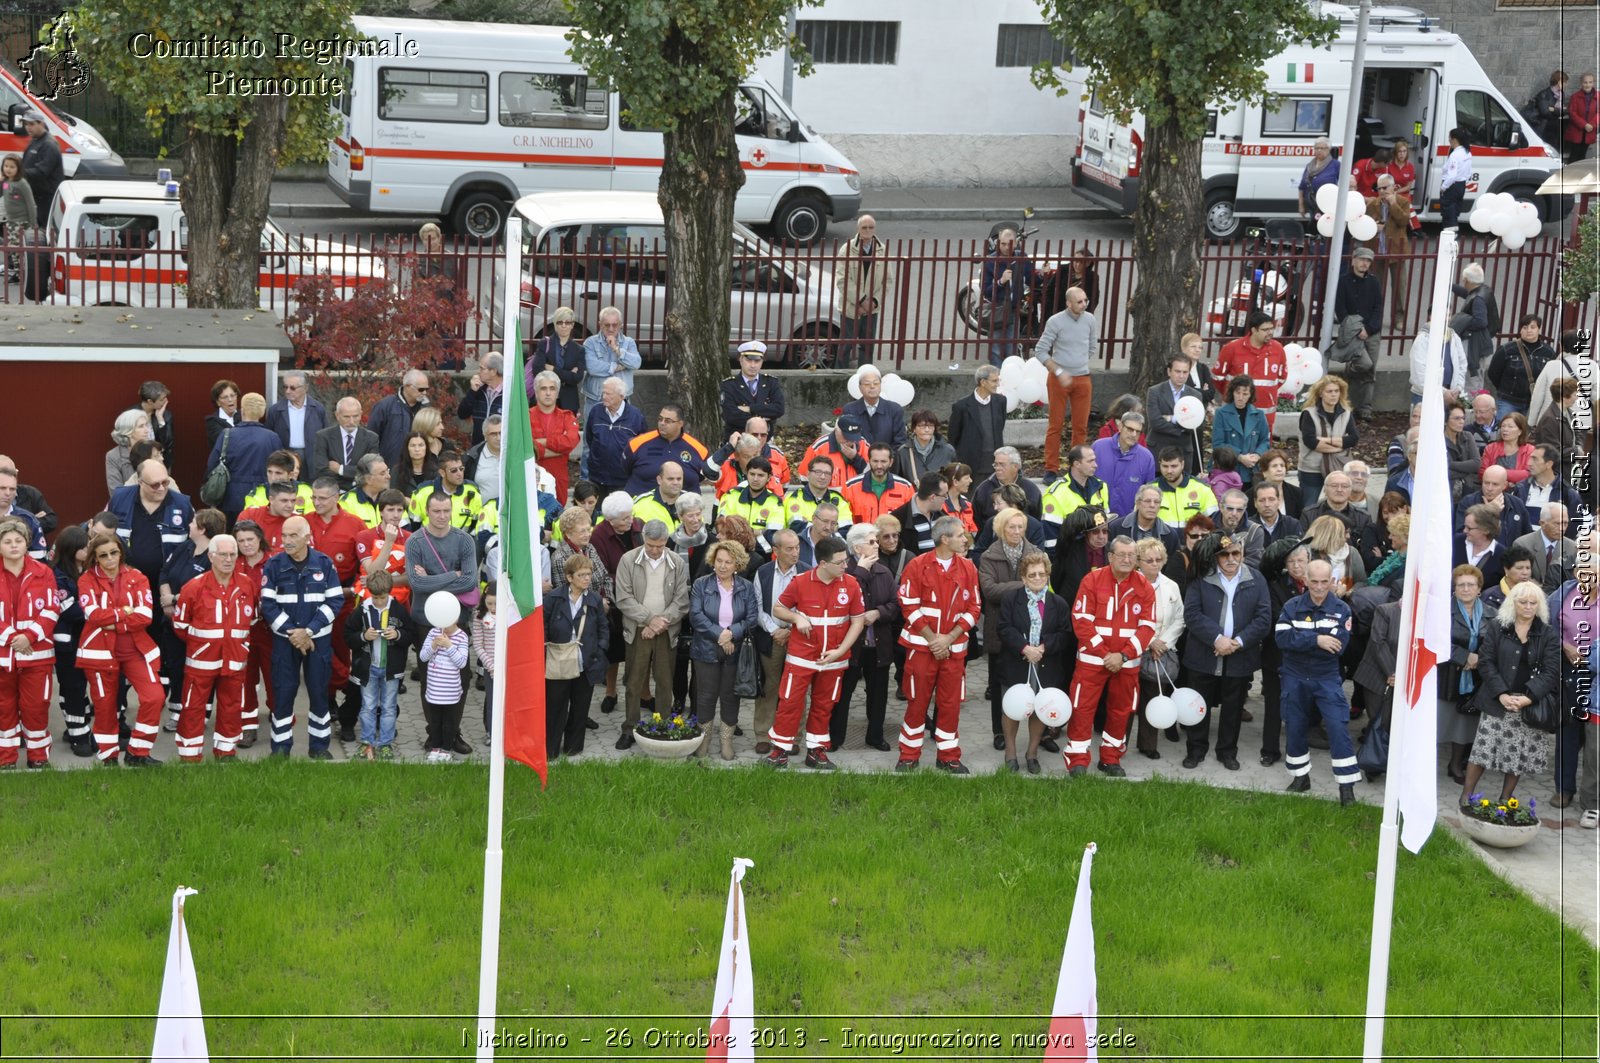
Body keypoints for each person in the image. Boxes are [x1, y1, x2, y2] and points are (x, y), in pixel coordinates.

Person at [763, 535, 864, 770]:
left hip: (834, 660)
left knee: (825, 704)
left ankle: (816, 751)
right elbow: (778, 608)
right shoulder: (800, 582)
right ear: (823, 564)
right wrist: (797, 617)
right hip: (801, 657)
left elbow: (857, 622)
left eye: (845, 561)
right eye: (840, 562)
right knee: (790, 703)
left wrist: (840, 651)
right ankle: (779, 751)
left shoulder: (851, 584)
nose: (845, 566)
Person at [1462, 581, 1560, 807]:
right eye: (1523, 602)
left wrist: (1528, 697)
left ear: (1540, 606)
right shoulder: (1498, 626)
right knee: (1481, 751)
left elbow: (1551, 671)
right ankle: (1466, 796)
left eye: (1533, 603)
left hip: (1527, 704)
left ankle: (1505, 800)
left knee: (1517, 757)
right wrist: (1502, 694)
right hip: (1497, 701)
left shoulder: (1547, 634)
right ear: (1512, 603)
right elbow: (1486, 663)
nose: (1528, 607)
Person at [1181, 530, 1273, 770]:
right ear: (1216, 558)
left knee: (1233, 708)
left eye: (1236, 553)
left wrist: (1237, 642)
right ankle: (1196, 749)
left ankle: (1227, 752)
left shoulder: (1256, 578)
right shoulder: (1202, 577)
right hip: (1203, 655)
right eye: (1225, 555)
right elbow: (1191, 614)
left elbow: (1263, 619)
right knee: (1198, 705)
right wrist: (1217, 638)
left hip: (1240, 656)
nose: (1231, 559)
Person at [894, 516, 979, 773]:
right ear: (945, 539)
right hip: (922, 649)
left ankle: (948, 756)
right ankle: (908, 755)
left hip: (953, 651)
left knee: (951, 704)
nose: (965, 539)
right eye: (960, 535)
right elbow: (908, 604)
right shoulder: (918, 565)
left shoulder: (968, 568)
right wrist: (934, 640)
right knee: (917, 701)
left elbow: (974, 607)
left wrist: (949, 639)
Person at [1066, 535, 1155, 777]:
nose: (1127, 559)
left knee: (1121, 710)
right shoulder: (1092, 580)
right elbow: (1081, 620)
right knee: (1082, 709)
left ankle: (1111, 758)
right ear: (1111, 557)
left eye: (1131, 555)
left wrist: (1123, 656)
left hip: (1126, 664)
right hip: (1093, 661)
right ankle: (1077, 760)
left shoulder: (1144, 586)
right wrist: (1106, 654)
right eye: (1122, 555)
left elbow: (1148, 626)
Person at [1277, 559, 1361, 805]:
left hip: (1326, 677)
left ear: (1333, 581)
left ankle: (1347, 788)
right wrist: (1317, 640)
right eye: (1314, 581)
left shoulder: (1342, 610)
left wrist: (1302, 639)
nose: (1319, 586)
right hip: (1294, 676)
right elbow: (1282, 638)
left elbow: (1339, 646)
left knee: (1337, 728)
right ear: (1305, 579)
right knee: (1295, 727)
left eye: (1325, 581)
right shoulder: (1291, 606)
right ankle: (1300, 777)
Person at [78, 532, 165, 765]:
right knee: (105, 706)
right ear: (95, 558)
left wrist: (113, 620)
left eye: (114, 553)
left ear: (121, 552)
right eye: (103, 555)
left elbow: (145, 616)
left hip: (135, 650)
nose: (110, 559)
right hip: (99, 651)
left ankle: (138, 752)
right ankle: (108, 757)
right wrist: (126, 611)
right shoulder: (86, 580)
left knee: (154, 697)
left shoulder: (137, 576)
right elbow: (93, 616)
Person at [258, 516, 341, 759]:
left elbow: (334, 601)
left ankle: (319, 747)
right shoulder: (273, 565)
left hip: (318, 641)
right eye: (284, 535)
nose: (286, 541)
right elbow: (268, 605)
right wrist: (294, 633)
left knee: (318, 692)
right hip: (286, 641)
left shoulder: (324, 564)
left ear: (307, 537)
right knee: (283, 693)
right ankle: (281, 749)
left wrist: (309, 631)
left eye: (293, 535)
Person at [169, 533, 255, 762]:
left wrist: (240, 646)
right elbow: (179, 625)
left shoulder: (247, 584)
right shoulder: (193, 587)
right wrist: (202, 646)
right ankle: (190, 756)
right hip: (201, 661)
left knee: (231, 707)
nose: (228, 560)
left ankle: (226, 752)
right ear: (211, 556)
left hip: (235, 660)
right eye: (223, 554)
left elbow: (252, 619)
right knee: (193, 708)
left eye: (233, 555)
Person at [612, 520, 691, 750]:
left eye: (660, 545)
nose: (655, 550)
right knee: (634, 681)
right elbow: (624, 598)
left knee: (665, 681)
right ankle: (630, 728)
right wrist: (649, 620)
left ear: (667, 541)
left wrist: (659, 624)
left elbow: (681, 600)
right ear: (642, 539)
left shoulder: (676, 562)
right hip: (638, 630)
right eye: (650, 545)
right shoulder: (628, 560)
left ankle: (662, 726)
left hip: (665, 631)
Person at [404, 492, 479, 716]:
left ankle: (453, 733)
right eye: (436, 511)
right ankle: (433, 734)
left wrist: (431, 579)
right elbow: (416, 584)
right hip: (425, 621)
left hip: (458, 620)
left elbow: (470, 580)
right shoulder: (415, 541)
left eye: (446, 511)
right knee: (429, 678)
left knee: (461, 677)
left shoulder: (464, 540)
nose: (442, 516)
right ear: (427, 511)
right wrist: (452, 575)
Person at [994, 551, 1068, 774]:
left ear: (1048, 575)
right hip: (1016, 662)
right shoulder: (1011, 599)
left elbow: (1065, 633)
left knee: (1039, 709)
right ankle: (1010, 751)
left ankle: (1032, 753)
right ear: (1024, 578)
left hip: (1046, 665)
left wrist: (1043, 648)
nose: (1037, 578)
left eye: (1042, 574)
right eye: (1032, 574)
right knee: (1013, 709)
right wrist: (1024, 648)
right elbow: (1004, 628)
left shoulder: (1059, 603)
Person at [686, 540, 758, 760]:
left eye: (728, 562)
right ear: (713, 561)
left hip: (734, 649)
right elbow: (696, 617)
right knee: (706, 695)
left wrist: (731, 633)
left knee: (729, 695)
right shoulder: (701, 584)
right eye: (719, 561)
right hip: (706, 648)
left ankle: (726, 740)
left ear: (737, 564)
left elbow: (752, 618)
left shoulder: (745, 587)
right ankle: (704, 739)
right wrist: (721, 635)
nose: (723, 566)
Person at [834, 522, 899, 753]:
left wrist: (878, 613)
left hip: (878, 644)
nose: (877, 545)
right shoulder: (847, 572)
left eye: (876, 541)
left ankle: (875, 735)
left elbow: (895, 604)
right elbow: (844, 601)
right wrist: (860, 572)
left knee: (878, 694)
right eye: (871, 542)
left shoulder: (884, 572)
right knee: (843, 693)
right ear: (856, 547)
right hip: (853, 646)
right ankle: (835, 737)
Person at [979, 507, 1040, 751]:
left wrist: (1012, 586)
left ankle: (1039, 735)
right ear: (1000, 529)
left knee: (1033, 681)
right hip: (998, 630)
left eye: (1020, 527)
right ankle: (999, 732)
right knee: (998, 683)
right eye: (1011, 527)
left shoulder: (1035, 552)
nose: (1016, 531)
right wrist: (1024, 584)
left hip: (1029, 629)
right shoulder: (989, 556)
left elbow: (1041, 585)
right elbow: (990, 591)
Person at [0, 517, 56, 768]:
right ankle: (6, 759)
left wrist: (30, 636)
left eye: (18, 541)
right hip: (4, 656)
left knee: (36, 706)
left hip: (37, 655)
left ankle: (38, 757)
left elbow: (52, 609)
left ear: (26, 544)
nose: (13, 546)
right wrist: (13, 639)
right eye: (7, 541)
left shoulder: (43, 572)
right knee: (4, 708)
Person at [1549, 540, 1599, 811]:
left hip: (1598, 674)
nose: (1584, 577)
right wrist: (1565, 647)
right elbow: (1546, 623)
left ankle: (1591, 796)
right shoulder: (1563, 593)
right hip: (1569, 669)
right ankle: (1563, 789)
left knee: (1593, 736)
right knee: (1568, 729)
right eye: (1581, 571)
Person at [544, 553, 609, 758]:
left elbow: (602, 627)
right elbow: (543, 627)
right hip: (559, 661)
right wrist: (546, 648)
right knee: (555, 707)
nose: (587, 579)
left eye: (589, 574)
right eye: (582, 575)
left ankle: (573, 747)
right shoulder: (553, 598)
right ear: (569, 577)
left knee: (580, 707)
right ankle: (551, 749)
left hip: (585, 661)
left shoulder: (594, 599)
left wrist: (599, 650)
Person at [752, 528, 808, 755]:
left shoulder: (806, 572)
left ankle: (793, 736)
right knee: (769, 686)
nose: (795, 553)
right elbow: (757, 607)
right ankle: (763, 734)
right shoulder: (763, 572)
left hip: (798, 638)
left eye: (797, 547)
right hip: (771, 637)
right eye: (789, 548)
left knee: (796, 689)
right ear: (775, 551)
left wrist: (790, 630)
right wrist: (776, 630)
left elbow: (810, 608)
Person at [344, 569, 410, 761]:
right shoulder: (361, 610)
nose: (379, 602)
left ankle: (386, 744)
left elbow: (409, 634)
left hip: (391, 668)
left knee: (389, 707)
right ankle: (367, 742)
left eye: (382, 597)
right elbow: (347, 635)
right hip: (367, 669)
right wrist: (363, 636)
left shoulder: (398, 610)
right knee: (367, 706)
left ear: (390, 593)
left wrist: (397, 635)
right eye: (375, 597)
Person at [1131, 537, 1184, 760]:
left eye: (1158, 559)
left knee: (1154, 697)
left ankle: (1148, 744)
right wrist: (1149, 640)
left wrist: (1163, 643)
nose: (1154, 564)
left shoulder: (1172, 585)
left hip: (1160, 651)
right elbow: (1130, 618)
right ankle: (1117, 743)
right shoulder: (1130, 585)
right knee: (1128, 699)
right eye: (1149, 560)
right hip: (1133, 649)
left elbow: (1180, 618)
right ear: (1138, 562)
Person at [1037, 285, 1098, 462]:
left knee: (1081, 427)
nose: (1084, 304)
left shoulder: (1090, 320)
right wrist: (1059, 371)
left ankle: (1076, 465)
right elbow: (1040, 351)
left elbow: (1092, 346)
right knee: (1055, 425)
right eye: (1079, 301)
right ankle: (1051, 466)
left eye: (1085, 300)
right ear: (1068, 303)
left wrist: (1079, 362)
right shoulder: (1055, 321)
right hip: (1058, 379)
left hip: (1083, 378)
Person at [1215, 310, 1288, 433]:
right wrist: (1234, 396)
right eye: (1265, 330)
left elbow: (1281, 378)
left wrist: (1266, 393)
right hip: (1236, 410)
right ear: (1253, 330)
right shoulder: (1231, 348)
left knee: (1263, 447)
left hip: (1265, 412)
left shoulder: (1278, 349)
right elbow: (1217, 378)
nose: (1270, 333)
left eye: (1271, 329)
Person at [418, 592, 471, 762]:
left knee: (449, 723)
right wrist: (433, 645)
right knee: (435, 722)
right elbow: (423, 657)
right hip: (434, 690)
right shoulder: (433, 633)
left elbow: (462, 662)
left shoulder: (461, 637)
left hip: (450, 692)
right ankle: (435, 747)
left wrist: (449, 646)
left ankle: (446, 749)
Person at [836, 215, 893, 365]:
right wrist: (861, 301)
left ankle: (866, 378)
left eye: (871, 227)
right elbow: (842, 280)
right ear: (858, 229)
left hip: (871, 310)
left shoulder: (882, 250)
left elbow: (887, 280)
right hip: (850, 308)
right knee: (845, 346)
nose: (868, 230)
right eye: (864, 227)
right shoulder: (846, 249)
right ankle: (838, 377)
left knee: (867, 347)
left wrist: (873, 302)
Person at [1332, 248, 1382, 419]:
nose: (1364, 264)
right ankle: (1348, 405)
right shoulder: (1343, 281)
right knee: (1363, 365)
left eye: (1368, 261)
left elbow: (1377, 309)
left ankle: (1366, 407)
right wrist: (1355, 329)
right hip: (1352, 333)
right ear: (1353, 260)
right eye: (1361, 259)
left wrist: (1368, 329)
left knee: (1370, 371)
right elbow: (1340, 309)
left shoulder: (1374, 282)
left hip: (1371, 332)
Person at [624, 404, 710, 497]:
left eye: (668, 421)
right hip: (642, 507)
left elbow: (702, 476)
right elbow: (625, 468)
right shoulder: (637, 443)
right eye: (660, 419)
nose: (662, 423)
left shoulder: (698, 449)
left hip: (683, 507)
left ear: (680, 424)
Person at [1297, 375, 1358, 505]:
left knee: (1339, 505)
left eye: (1336, 391)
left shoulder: (1346, 413)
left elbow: (1353, 439)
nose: (1333, 395)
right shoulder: (1309, 414)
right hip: (1311, 468)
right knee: (1308, 506)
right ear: (1320, 393)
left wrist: (1323, 440)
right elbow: (1311, 442)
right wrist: (1340, 445)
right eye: (1329, 391)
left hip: (1338, 468)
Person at [1485, 314, 1556, 421]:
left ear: (1539, 330)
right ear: (1520, 330)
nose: (1529, 330)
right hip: (1508, 401)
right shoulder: (1507, 349)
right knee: (1505, 430)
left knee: (1526, 435)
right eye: (1525, 327)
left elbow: (1552, 378)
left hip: (1534, 403)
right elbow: (1493, 373)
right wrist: (1506, 388)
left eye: (1533, 327)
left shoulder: (1548, 353)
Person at [1364, 174, 1413, 330]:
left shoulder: (1403, 202)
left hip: (1397, 251)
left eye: (1385, 187)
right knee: (1376, 288)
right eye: (1379, 188)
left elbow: (1404, 221)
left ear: (1394, 187)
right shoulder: (1373, 204)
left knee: (1399, 287)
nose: (1382, 191)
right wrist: (1374, 227)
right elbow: (1364, 225)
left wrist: (1393, 204)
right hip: (1378, 251)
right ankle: (1375, 317)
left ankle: (1399, 318)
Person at [585, 376, 646, 500]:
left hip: (622, 480)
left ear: (622, 396)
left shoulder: (635, 416)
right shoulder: (596, 411)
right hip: (597, 477)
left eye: (609, 394)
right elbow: (589, 438)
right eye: (603, 393)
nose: (604, 397)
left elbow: (641, 446)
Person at [581, 306, 642, 429]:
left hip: (621, 401)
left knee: (622, 439)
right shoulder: (590, 343)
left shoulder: (628, 342)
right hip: (596, 399)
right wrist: (617, 367)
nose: (611, 329)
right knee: (590, 442)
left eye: (614, 325)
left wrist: (616, 349)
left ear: (620, 325)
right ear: (600, 324)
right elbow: (592, 367)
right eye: (606, 325)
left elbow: (636, 363)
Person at [1040, 444, 1108, 552]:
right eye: (1090, 461)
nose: (1095, 465)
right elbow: (1050, 539)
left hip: (1097, 556)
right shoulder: (1055, 494)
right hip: (1070, 558)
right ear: (1077, 464)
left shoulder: (1101, 486)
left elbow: (1106, 524)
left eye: (1094, 460)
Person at [981, 227, 1034, 364]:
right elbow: (986, 290)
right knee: (996, 348)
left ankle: (1010, 375)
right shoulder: (990, 261)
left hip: (1014, 308)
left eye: (1009, 244)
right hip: (997, 307)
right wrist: (1000, 282)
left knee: (1011, 347)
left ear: (1016, 243)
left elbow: (1032, 280)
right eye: (1002, 244)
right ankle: (997, 379)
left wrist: (1042, 274)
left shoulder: (1021, 258)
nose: (1005, 247)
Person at [528, 370, 581, 502]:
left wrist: (542, 442)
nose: (548, 393)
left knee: (557, 517)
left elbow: (570, 442)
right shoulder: (525, 417)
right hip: (531, 477)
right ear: (536, 392)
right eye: (543, 388)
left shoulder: (567, 416)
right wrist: (561, 451)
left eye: (552, 389)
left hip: (559, 478)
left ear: (557, 393)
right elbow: (525, 445)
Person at [948, 364, 1007, 483]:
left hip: (994, 463)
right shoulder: (962, 406)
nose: (998, 384)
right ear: (983, 382)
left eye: (998, 380)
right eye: (994, 381)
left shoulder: (1000, 401)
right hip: (971, 464)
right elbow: (953, 436)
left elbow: (1000, 427)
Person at [1092, 411, 1156, 519]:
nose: (1134, 435)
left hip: (1127, 522)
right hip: (1096, 519)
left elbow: (1148, 493)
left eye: (1138, 431)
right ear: (1120, 427)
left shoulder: (1146, 457)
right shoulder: (1098, 447)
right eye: (1130, 429)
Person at [719, 340, 786, 440]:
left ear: (762, 362)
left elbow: (779, 409)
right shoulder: (729, 385)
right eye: (749, 360)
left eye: (757, 361)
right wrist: (763, 418)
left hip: (765, 441)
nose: (753, 365)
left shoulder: (771, 382)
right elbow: (730, 415)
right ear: (741, 360)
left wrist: (750, 408)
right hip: (739, 440)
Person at [366, 370, 433, 471]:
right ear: (407, 386)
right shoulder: (385, 406)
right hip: (390, 467)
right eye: (421, 389)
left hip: (420, 468)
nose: (424, 393)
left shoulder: (426, 408)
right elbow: (371, 438)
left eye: (426, 389)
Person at [264, 371, 328, 473]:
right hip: (285, 459)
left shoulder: (318, 409)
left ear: (305, 388)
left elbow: (325, 437)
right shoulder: (275, 410)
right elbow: (268, 438)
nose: (288, 391)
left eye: (292, 388)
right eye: (285, 387)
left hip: (311, 459)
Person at [1451, 262, 1501, 393]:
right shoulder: (1484, 290)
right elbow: (1468, 294)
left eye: (1464, 280)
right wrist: (1452, 287)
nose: (1463, 283)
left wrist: (1462, 324)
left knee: (1472, 376)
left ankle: (1472, 403)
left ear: (1468, 280)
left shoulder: (1478, 299)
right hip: (1482, 341)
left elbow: (1480, 321)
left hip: (1475, 343)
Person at [1211, 376, 1270, 485]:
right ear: (1232, 392)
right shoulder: (1221, 413)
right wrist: (1240, 457)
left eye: (1245, 394)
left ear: (1250, 395)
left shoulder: (1259, 415)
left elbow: (1265, 441)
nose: (1240, 397)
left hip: (1252, 472)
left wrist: (1257, 455)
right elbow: (1218, 444)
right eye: (1237, 393)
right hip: (1228, 471)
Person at [841, 444, 915, 528]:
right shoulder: (850, 487)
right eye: (875, 461)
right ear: (869, 461)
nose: (879, 466)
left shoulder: (906, 488)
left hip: (893, 539)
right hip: (862, 539)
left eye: (883, 461)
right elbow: (843, 522)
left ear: (891, 462)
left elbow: (910, 522)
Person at [528, 307, 585, 415]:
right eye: (560, 322)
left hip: (568, 401)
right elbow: (538, 370)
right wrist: (567, 373)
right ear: (555, 324)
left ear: (572, 325)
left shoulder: (579, 350)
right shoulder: (544, 344)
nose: (563, 326)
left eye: (567, 322)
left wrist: (552, 368)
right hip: (544, 399)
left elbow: (576, 378)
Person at [842, 365, 908, 449]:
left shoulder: (894, 409)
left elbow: (900, 441)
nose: (872, 386)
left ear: (880, 386)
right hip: (858, 459)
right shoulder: (850, 410)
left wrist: (886, 459)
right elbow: (848, 440)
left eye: (876, 383)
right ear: (860, 388)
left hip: (887, 459)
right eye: (867, 384)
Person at [1152, 447, 1218, 528]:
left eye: (1174, 466)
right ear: (1159, 465)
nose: (1169, 471)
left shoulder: (1202, 489)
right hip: (1161, 539)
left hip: (1194, 539)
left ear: (1182, 464)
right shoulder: (1150, 490)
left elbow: (1215, 521)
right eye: (1165, 466)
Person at [1304, 513, 1365, 595]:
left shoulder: (1351, 552)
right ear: (1328, 537)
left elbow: (1362, 582)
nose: (1348, 537)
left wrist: (1348, 591)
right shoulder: (1307, 554)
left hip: (1347, 603)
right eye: (1343, 534)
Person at [896, 409, 958, 488]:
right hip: (912, 497)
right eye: (922, 426)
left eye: (931, 426)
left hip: (941, 497)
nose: (927, 430)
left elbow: (954, 477)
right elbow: (898, 480)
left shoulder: (948, 450)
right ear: (914, 428)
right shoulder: (903, 452)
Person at [19, 111, 60, 227]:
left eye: (31, 124)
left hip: (45, 199)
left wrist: (18, 173)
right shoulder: (35, 140)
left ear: (41, 124)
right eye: (26, 124)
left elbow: (42, 172)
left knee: (42, 231)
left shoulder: (49, 145)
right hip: (35, 195)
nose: (28, 128)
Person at [455, 353, 504, 447]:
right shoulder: (479, 390)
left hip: (501, 449)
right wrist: (472, 392)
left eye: (482, 368)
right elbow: (462, 414)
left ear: (493, 371)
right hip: (478, 447)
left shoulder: (509, 393)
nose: (478, 371)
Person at [1479, 411, 1534, 485]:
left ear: (1520, 431)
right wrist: (1505, 483)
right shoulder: (1491, 448)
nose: (1505, 429)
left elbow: (1529, 474)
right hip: (1493, 489)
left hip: (1519, 492)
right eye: (1503, 426)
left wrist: (1500, 473)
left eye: (1510, 427)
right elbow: (1483, 473)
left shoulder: (1529, 450)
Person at [1296, 137, 1339, 219]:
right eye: (1317, 148)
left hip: (1328, 206)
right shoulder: (1309, 166)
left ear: (1328, 149)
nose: (1319, 150)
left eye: (1322, 148)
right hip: (1312, 205)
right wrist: (1301, 206)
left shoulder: (1336, 165)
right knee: (1313, 227)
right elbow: (1302, 187)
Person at [1439, 127, 1472, 232]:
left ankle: (1450, 239)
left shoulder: (1455, 155)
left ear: (1454, 139)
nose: (1448, 140)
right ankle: (1453, 236)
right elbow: (1468, 172)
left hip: (1451, 187)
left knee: (1448, 214)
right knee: (1455, 212)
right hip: (1461, 185)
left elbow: (1451, 176)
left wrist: (1443, 187)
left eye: (1449, 137)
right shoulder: (1467, 152)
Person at [1529, 69, 1569, 149]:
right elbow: (1545, 112)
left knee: (1554, 149)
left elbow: (1566, 111)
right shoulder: (1544, 94)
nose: (1566, 84)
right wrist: (1559, 111)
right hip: (1544, 127)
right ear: (1559, 82)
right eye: (1565, 82)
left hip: (1556, 126)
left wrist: (1554, 110)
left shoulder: (1561, 94)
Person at [1566, 72, 1598, 164]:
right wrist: (1584, 125)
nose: (1588, 85)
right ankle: (1569, 175)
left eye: (1590, 82)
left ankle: (1580, 176)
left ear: (1593, 83)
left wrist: (1592, 124)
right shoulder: (1575, 97)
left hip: (1590, 131)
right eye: (1585, 82)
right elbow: (1572, 113)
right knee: (1574, 156)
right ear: (1581, 83)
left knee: (1582, 156)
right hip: (1577, 130)